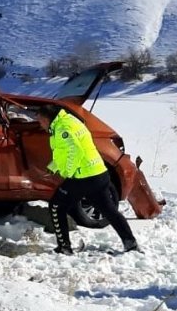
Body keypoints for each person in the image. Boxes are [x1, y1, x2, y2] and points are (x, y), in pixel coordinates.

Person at [36, 104, 139, 255]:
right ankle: (131, 243)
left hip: (83, 176)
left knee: (57, 206)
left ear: (47, 119)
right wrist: (53, 167)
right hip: (99, 172)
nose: (39, 125)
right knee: (108, 209)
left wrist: (68, 173)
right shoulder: (70, 121)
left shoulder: (63, 129)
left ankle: (64, 247)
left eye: (40, 121)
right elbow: (65, 151)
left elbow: (74, 151)